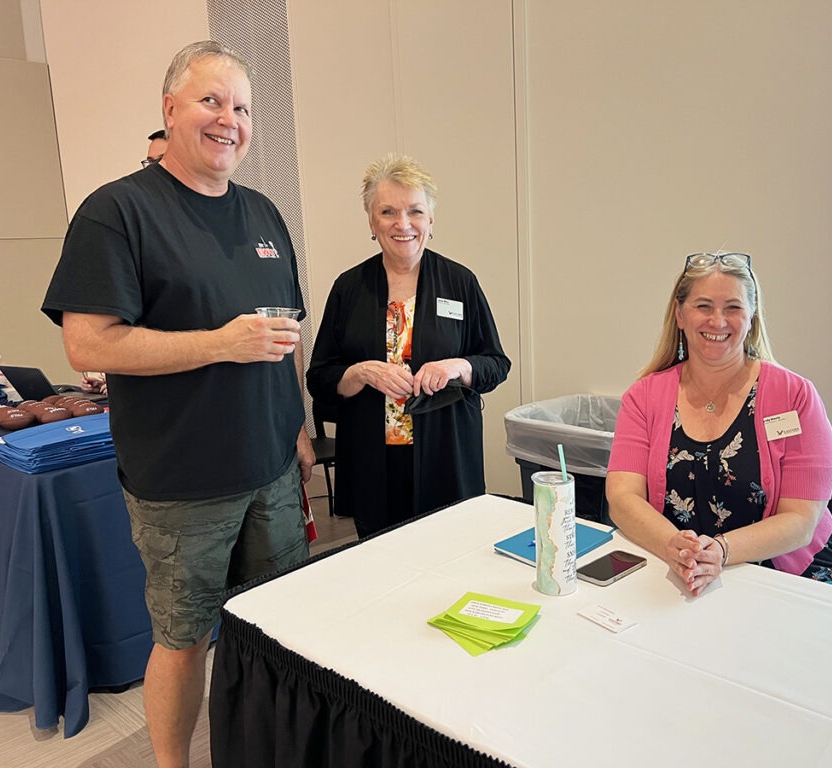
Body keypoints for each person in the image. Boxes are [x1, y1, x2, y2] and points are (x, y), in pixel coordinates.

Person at [41, 41, 314, 767]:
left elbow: (282, 339)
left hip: (272, 471)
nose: (230, 120)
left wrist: (299, 429)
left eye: (243, 107)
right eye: (211, 101)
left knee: (279, 625)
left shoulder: (263, 214)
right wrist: (216, 344)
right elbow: (89, 346)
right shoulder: (117, 212)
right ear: (169, 109)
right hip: (181, 483)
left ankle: (269, 748)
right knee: (186, 637)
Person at [606, 252, 832, 597]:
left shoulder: (795, 396)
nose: (718, 321)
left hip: (794, 572)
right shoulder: (643, 397)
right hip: (684, 571)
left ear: (752, 317)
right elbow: (623, 496)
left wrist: (722, 551)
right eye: (703, 306)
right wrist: (673, 545)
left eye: (733, 307)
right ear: (680, 314)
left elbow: (802, 520)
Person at [307, 153, 510, 538]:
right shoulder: (349, 289)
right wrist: (361, 372)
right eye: (387, 212)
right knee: (382, 567)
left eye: (415, 211)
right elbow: (319, 378)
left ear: (431, 221)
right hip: (373, 462)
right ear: (371, 222)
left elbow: (496, 363)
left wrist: (457, 367)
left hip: (445, 459)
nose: (403, 224)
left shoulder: (460, 282)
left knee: (450, 562)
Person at [80, 128, 173, 397]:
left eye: (162, 159)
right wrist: (115, 378)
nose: (155, 170)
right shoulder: (116, 216)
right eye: (150, 162)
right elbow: (92, 343)